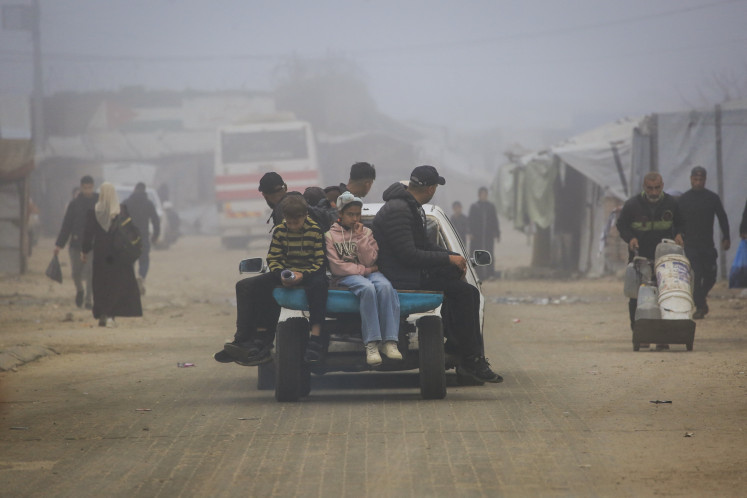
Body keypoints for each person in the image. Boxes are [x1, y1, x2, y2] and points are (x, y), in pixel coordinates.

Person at [372, 165, 503, 383]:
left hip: (408, 271)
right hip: (401, 277)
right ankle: (470, 359)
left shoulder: (408, 207)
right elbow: (409, 255)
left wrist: (455, 260)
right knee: (463, 293)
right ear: (431, 188)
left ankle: (461, 351)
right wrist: (448, 259)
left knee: (467, 292)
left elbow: (425, 245)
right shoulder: (399, 210)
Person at [217, 191, 329, 365]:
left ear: (305, 216)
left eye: (296, 222)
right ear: (284, 217)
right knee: (253, 285)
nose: (292, 226)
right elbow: (274, 258)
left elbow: (320, 262)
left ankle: (316, 337)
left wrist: (303, 274)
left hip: (309, 273)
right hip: (286, 273)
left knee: (319, 286)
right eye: (289, 222)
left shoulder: (315, 231)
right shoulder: (280, 230)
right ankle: (254, 337)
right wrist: (281, 274)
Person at [325, 192, 401, 366]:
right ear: (340, 214)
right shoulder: (330, 236)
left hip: (369, 272)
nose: (354, 218)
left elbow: (370, 259)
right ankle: (371, 343)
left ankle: (390, 341)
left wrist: (360, 238)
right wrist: (365, 270)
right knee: (367, 288)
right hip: (347, 277)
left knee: (385, 286)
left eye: (357, 214)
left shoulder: (366, 232)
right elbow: (337, 267)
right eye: (350, 214)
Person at [616, 172, 684, 349]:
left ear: (662, 186)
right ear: (644, 187)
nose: (653, 192)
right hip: (640, 257)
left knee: (665, 295)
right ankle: (640, 334)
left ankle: (662, 336)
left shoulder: (672, 203)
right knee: (637, 296)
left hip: (665, 257)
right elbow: (621, 225)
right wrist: (630, 238)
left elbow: (682, 223)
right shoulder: (632, 205)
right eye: (650, 188)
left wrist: (678, 234)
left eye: (657, 188)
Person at [81, 183, 142, 328]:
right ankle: (110, 316)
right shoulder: (121, 210)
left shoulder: (94, 212)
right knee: (115, 285)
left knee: (101, 284)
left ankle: (103, 314)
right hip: (117, 254)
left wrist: (84, 251)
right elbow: (129, 231)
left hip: (101, 254)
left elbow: (88, 234)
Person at [678, 166, 730, 319]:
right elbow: (677, 220)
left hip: (707, 245)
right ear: (691, 179)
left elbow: (722, 217)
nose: (698, 182)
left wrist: (726, 237)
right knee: (695, 275)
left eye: (701, 179)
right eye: (695, 179)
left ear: (705, 180)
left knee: (710, 276)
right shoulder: (684, 199)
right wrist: (677, 235)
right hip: (691, 245)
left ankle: (700, 299)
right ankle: (700, 306)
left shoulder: (712, 198)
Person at [54, 175, 99, 309]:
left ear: (93, 187)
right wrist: (59, 244)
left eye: (89, 188)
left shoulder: (99, 203)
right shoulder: (74, 205)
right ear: (81, 188)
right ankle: (80, 290)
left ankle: (89, 300)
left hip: (92, 244)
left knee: (90, 272)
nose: (87, 191)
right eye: (85, 188)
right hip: (76, 244)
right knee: (76, 273)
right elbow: (66, 225)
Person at [123, 182, 160, 295]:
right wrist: (155, 235)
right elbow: (155, 220)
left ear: (134, 189)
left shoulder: (127, 203)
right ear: (144, 191)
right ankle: (141, 277)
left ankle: (131, 282)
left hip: (129, 237)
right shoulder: (148, 204)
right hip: (143, 236)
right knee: (144, 260)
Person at [468, 187, 500, 280]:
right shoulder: (474, 207)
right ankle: (477, 275)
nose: (484, 196)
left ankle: (490, 274)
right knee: (476, 253)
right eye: (482, 194)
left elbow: (494, 220)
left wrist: (497, 232)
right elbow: (470, 221)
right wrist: (470, 232)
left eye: (485, 194)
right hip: (476, 236)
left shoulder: (491, 206)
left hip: (488, 235)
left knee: (489, 253)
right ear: (479, 195)